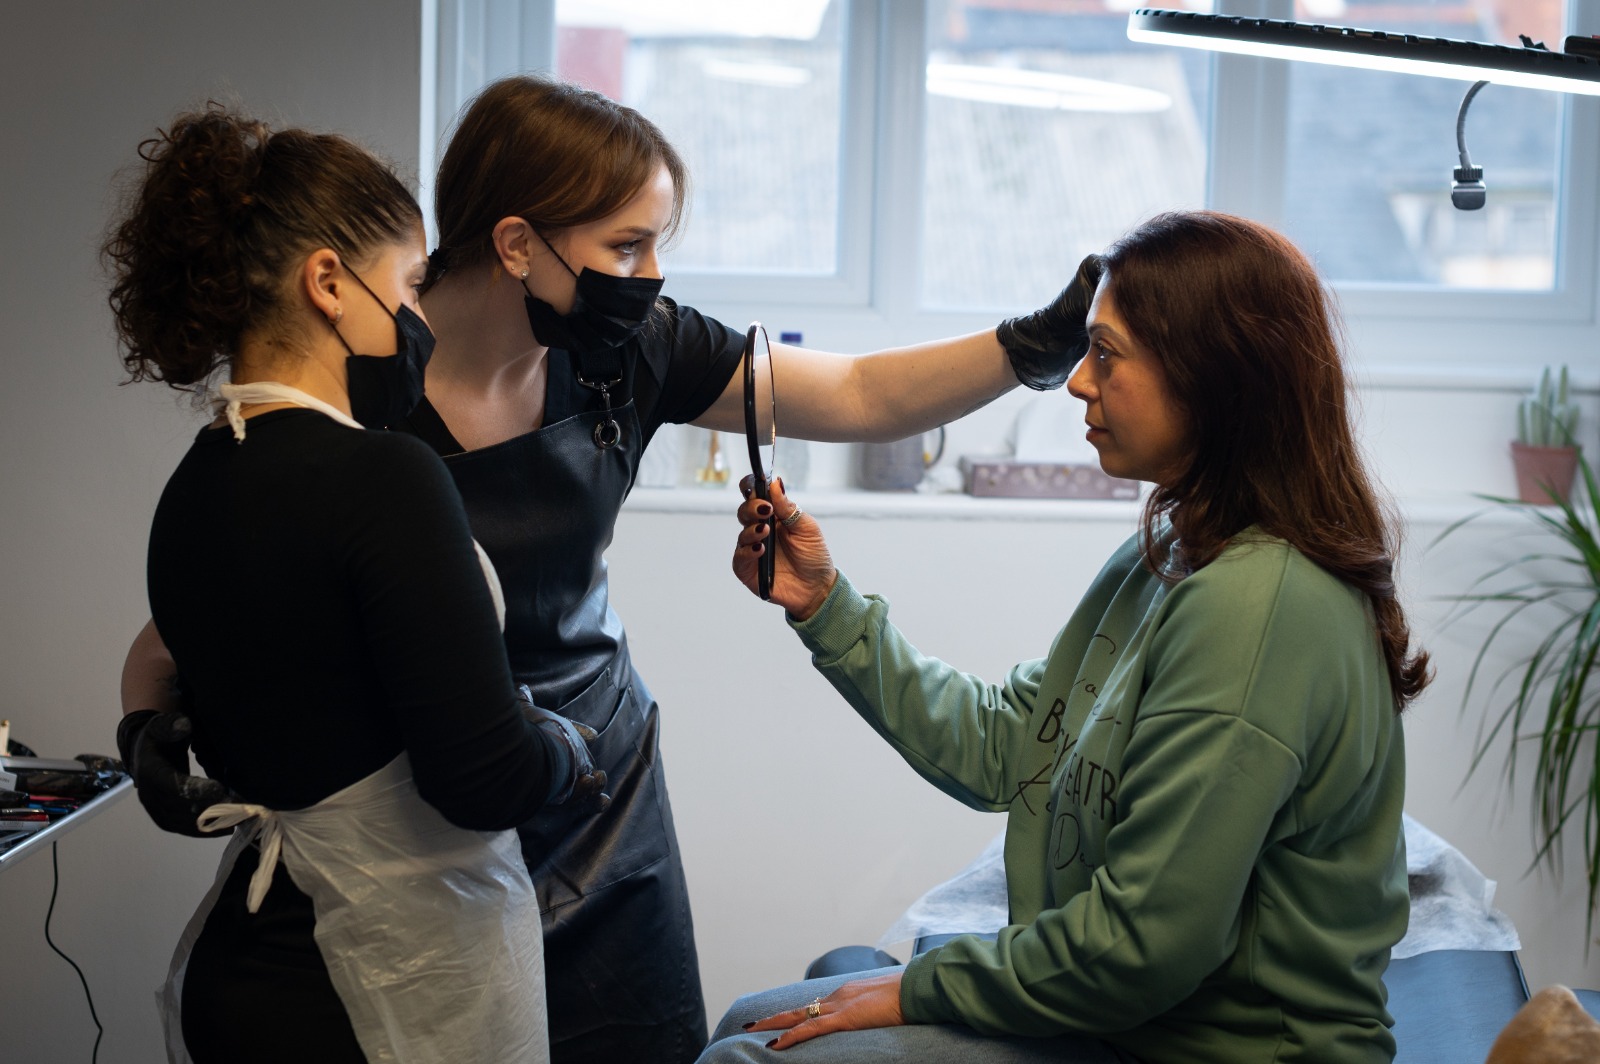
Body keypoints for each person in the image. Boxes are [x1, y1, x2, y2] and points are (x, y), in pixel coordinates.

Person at [120, 74, 1094, 1063]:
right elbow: (210, 614)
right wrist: (148, 721)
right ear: (515, 243)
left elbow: (856, 391)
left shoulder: (625, 350)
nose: (652, 275)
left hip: (595, 779)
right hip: (425, 814)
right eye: (626, 245)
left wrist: (1023, 349)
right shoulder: (358, 403)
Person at [711, 209, 1430, 1063]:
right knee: (746, 1021)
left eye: (1107, 354)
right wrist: (824, 603)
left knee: (747, 1057)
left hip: (1212, 1050)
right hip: (1127, 1024)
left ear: (1216, 377)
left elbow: (1141, 949)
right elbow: (1010, 747)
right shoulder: (1166, 557)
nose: (1079, 382)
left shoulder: (1262, 610)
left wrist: (919, 985)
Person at [107, 106, 604, 1064]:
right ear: (329, 282)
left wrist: (140, 731)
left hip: (247, 976)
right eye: (411, 284)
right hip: (378, 995)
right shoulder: (384, 477)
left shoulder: (195, 484)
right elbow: (481, 777)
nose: (419, 318)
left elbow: (181, 663)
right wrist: (566, 748)